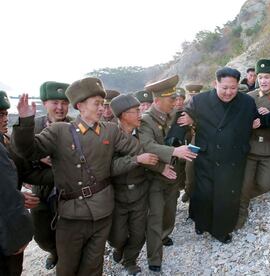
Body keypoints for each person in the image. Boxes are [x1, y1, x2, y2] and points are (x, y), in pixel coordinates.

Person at [11, 77, 156, 276]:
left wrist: (149, 152)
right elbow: (27, 150)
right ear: (80, 106)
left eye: (102, 104)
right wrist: (25, 122)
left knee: (94, 265)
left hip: (103, 211)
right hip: (72, 215)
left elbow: (135, 148)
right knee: (68, 266)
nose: (101, 108)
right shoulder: (59, 131)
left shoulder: (110, 130)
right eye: (96, 104)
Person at [179, 67, 270, 243]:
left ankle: (221, 230)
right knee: (205, 193)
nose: (229, 92)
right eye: (224, 88)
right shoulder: (200, 100)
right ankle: (201, 223)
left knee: (226, 195)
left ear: (238, 85)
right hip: (207, 155)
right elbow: (182, 119)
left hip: (233, 157)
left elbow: (258, 120)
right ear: (216, 84)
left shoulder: (246, 102)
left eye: (233, 88)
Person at [108, 94, 173, 275]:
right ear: (123, 115)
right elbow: (109, 167)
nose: (140, 113)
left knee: (138, 234)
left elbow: (152, 155)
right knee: (117, 236)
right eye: (136, 111)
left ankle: (130, 261)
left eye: (140, 109)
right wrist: (136, 160)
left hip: (140, 192)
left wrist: (161, 168)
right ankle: (118, 248)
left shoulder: (142, 133)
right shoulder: (111, 136)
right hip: (118, 195)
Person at [139, 75, 197, 272]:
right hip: (154, 175)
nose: (175, 101)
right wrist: (174, 152)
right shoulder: (146, 121)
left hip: (173, 172)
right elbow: (146, 146)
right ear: (156, 101)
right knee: (155, 215)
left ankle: (165, 234)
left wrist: (191, 121)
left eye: (174, 98)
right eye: (170, 99)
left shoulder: (175, 115)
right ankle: (154, 259)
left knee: (170, 209)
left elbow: (189, 132)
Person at [236, 59, 270, 229]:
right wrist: (249, 125)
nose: (263, 81)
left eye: (267, 77)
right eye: (260, 77)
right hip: (250, 148)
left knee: (266, 185)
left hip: (268, 149)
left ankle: (240, 197)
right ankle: (240, 211)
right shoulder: (247, 98)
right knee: (245, 184)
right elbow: (237, 124)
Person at [29, 81, 72, 270]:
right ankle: (53, 251)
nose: (60, 108)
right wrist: (39, 159)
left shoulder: (75, 127)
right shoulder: (32, 126)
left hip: (69, 189)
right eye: (55, 102)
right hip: (41, 189)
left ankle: (64, 258)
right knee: (41, 234)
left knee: (68, 231)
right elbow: (20, 155)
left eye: (64, 102)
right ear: (45, 103)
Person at [0, 90, 34, 276]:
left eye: (5, 113)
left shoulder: (4, 141)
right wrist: (18, 239)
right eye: (0, 115)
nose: (5, 119)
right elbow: (7, 201)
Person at [181, 83, 204, 203]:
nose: (193, 97)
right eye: (191, 94)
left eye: (196, 94)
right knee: (190, 167)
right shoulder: (184, 106)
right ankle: (188, 190)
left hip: (206, 140)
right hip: (193, 142)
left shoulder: (207, 105)